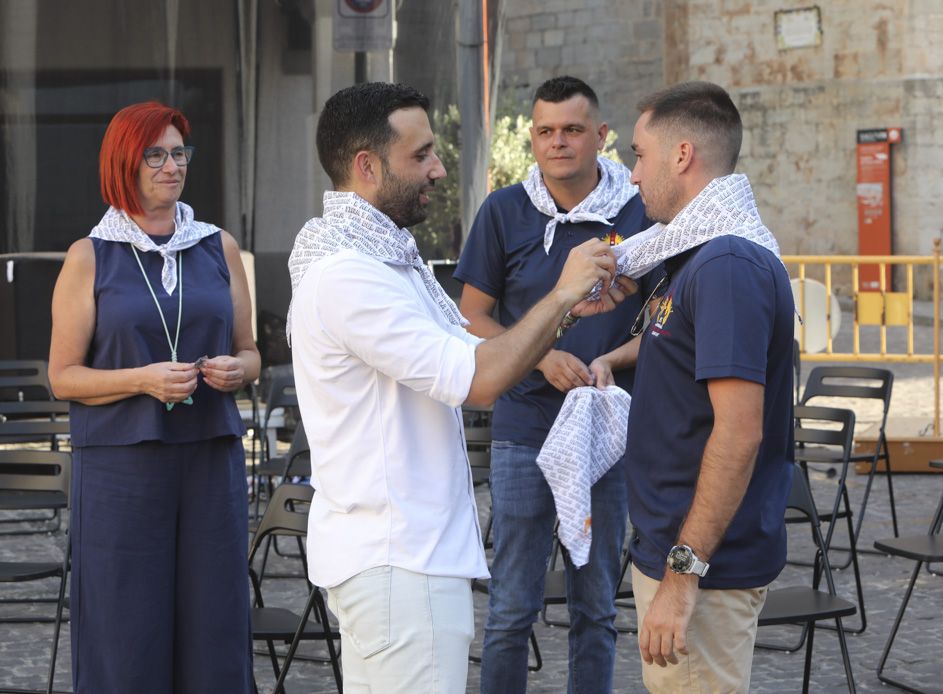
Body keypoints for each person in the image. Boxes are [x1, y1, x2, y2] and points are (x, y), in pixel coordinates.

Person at [285, 81, 635, 693]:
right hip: (399, 559)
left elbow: (477, 348)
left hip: (405, 558)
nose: (439, 169)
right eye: (420, 155)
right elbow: (479, 380)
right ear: (367, 166)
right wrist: (558, 292)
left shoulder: (380, 260)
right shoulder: (350, 276)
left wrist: (568, 309)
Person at [49, 101, 259, 693]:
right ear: (125, 162)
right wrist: (140, 380)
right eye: (156, 155)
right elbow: (62, 376)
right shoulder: (89, 256)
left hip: (209, 457)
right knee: (125, 625)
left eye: (179, 153)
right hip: (120, 465)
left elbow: (252, 352)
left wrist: (234, 370)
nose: (172, 166)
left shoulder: (219, 247)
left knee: (213, 619)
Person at [454, 75, 651, 693]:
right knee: (512, 606)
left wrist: (612, 360)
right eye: (545, 131)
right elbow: (471, 314)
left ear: (601, 135)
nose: (558, 142)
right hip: (523, 429)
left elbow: (670, 322)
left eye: (572, 129)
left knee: (596, 608)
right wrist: (539, 357)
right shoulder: (504, 210)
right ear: (533, 138)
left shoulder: (640, 211)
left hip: (609, 430)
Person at [622, 81, 795, 692]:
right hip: (677, 550)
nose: (633, 175)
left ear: (682, 155)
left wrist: (682, 575)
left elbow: (740, 430)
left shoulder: (725, 263)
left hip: (701, 566)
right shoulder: (696, 255)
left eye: (639, 155)